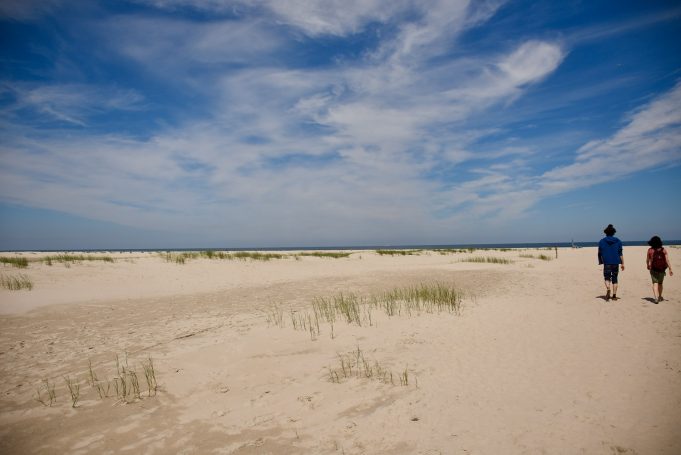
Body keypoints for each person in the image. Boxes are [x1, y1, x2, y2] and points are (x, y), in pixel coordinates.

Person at [598, 224, 624, 301]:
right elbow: (620, 253)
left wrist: (600, 261)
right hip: (616, 262)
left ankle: (608, 289)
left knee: (607, 278)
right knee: (615, 278)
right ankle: (614, 296)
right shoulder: (618, 241)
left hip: (607, 262)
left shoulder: (602, 241)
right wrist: (622, 263)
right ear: (614, 233)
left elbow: (599, 252)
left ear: (605, 233)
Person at [646, 236, 673, 303]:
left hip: (653, 269)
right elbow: (667, 260)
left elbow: (647, 259)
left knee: (655, 283)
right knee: (660, 283)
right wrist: (670, 268)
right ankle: (660, 296)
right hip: (662, 269)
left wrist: (648, 265)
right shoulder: (663, 250)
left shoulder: (650, 250)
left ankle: (655, 298)